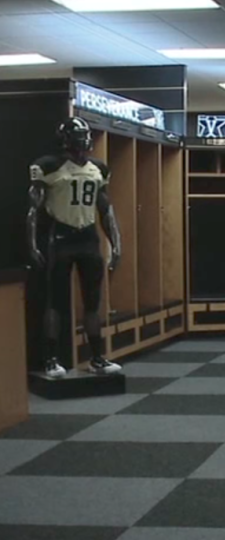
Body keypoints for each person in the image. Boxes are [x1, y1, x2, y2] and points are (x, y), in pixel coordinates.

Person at [27, 117, 123, 378]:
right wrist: (32, 244)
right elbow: (33, 210)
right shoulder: (48, 166)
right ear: (66, 138)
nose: (83, 140)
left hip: (88, 237)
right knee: (55, 302)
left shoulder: (98, 168)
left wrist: (116, 243)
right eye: (77, 135)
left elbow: (106, 210)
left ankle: (96, 357)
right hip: (60, 238)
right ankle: (51, 359)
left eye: (85, 134)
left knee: (92, 302)